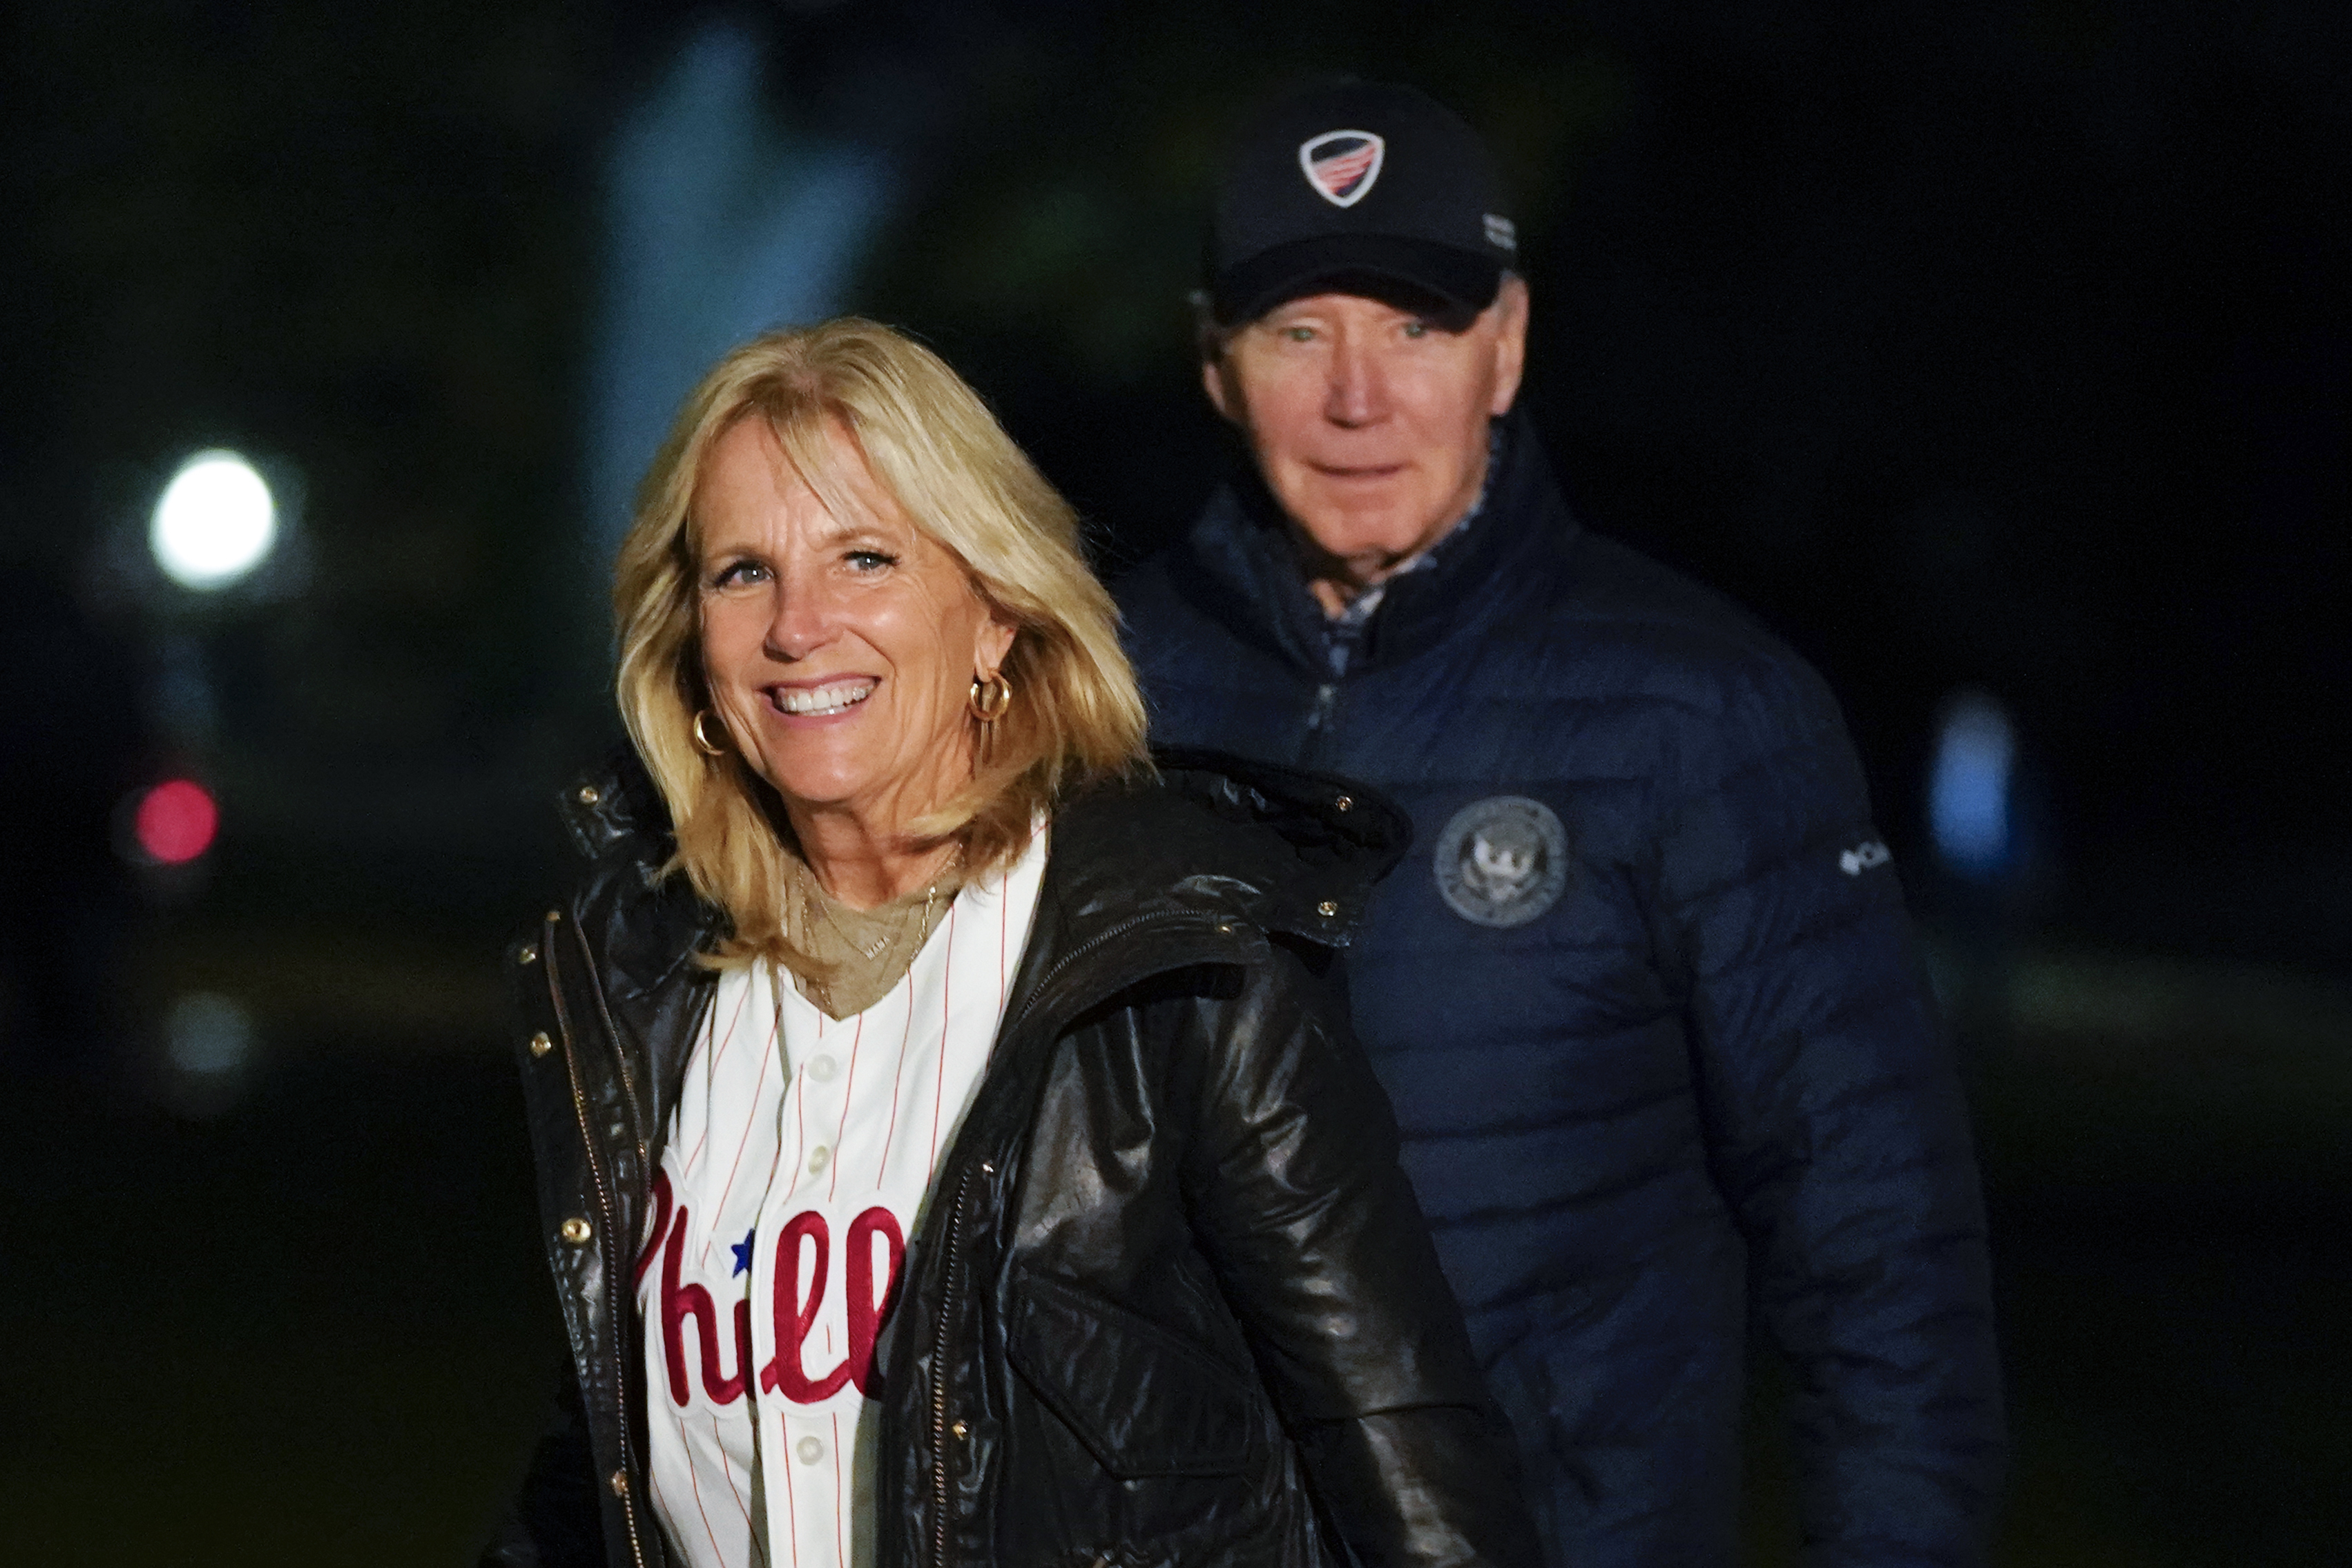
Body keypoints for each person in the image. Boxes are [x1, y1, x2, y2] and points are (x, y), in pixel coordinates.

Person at [481, 318, 1541, 1568]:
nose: (797, 626)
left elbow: (1397, 1445)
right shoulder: (637, 982)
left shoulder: (1183, 961)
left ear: (993, 613)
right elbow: (599, 1462)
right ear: (690, 638)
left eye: (865, 558)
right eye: (742, 573)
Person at [1116, 81, 2005, 1565]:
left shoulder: (1702, 713)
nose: (1358, 395)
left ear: (1507, 346)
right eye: (1296, 332)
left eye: (1415, 326)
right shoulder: (1093, 694)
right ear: (1215, 363)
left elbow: (1877, 1245)